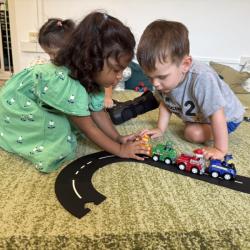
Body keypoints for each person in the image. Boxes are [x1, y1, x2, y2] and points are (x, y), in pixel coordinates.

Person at [0, 11, 150, 173]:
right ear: (91, 61)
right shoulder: (71, 84)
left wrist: (118, 138)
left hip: (37, 94)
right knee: (58, 137)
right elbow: (88, 129)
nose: (120, 77)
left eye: (122, 70)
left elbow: (98, 112)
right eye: (115, 70)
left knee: (78, 119)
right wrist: (120, 150)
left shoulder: (92, 76)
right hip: (19, 100)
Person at [137, 19, 245, 161]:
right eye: (149, 77)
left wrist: (219, 149)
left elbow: (218, 114)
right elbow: (165, 102)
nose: (155, 83)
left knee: (191, 133)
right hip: (203, 115)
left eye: (162, 76)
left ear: (185, 65)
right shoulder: (164, 82)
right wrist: (160, 128)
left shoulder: (202, 78)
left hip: (227, 117)